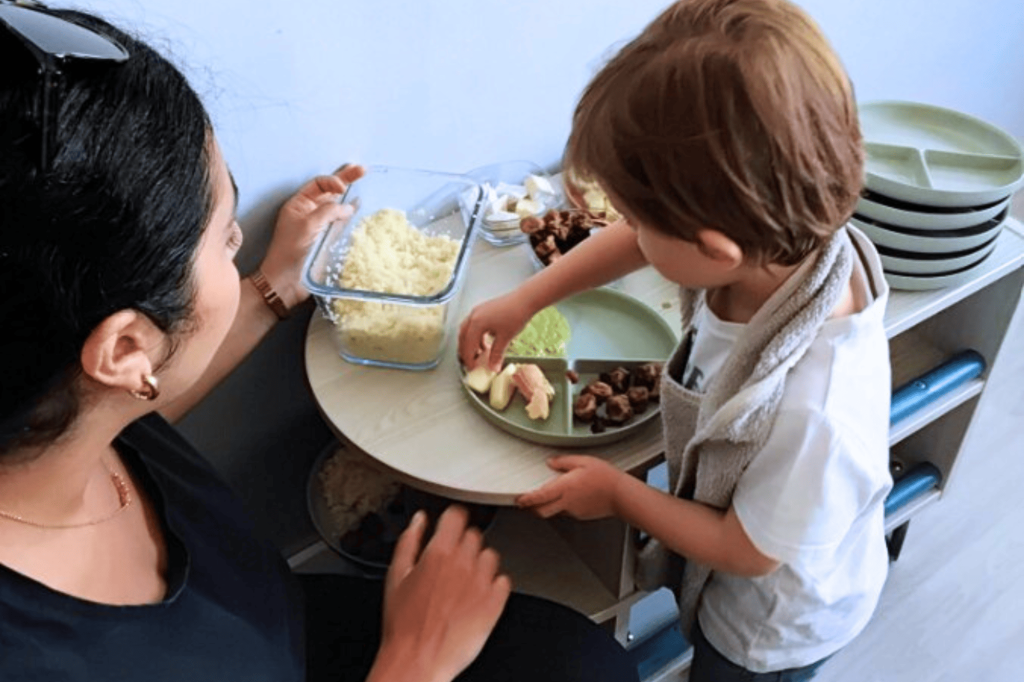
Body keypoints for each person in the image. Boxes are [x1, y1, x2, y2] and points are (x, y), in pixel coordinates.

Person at [0, 4, 639, 681]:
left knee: (582, 661)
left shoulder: (44, 408)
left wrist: (271, 289)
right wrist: (412, 662)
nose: (239, 240)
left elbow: (130, 419)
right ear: (125, 350)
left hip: (280, 625)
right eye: (223, 238)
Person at [459, 0, 893, 680]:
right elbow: (642, 242)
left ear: (713, 250)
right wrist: (527, 297)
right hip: (764, 535)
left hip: (769, 626)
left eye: (635, 215)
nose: (626, 226)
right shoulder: (772, 242)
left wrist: (621, 495)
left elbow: (748, 551)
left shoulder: (815, 410)